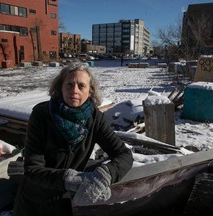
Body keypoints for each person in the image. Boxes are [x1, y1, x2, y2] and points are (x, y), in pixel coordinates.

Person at [13, 62, 133, 216]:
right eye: (69, 84)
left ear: (90, 91)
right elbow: (32, 169)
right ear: (60, 87)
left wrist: (105, 175)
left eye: (81, 86)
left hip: (66, 203)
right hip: (35, 202)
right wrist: (69, 179)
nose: (74, 90)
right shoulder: (41, 115)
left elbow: (124, 154)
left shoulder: (95, 119)